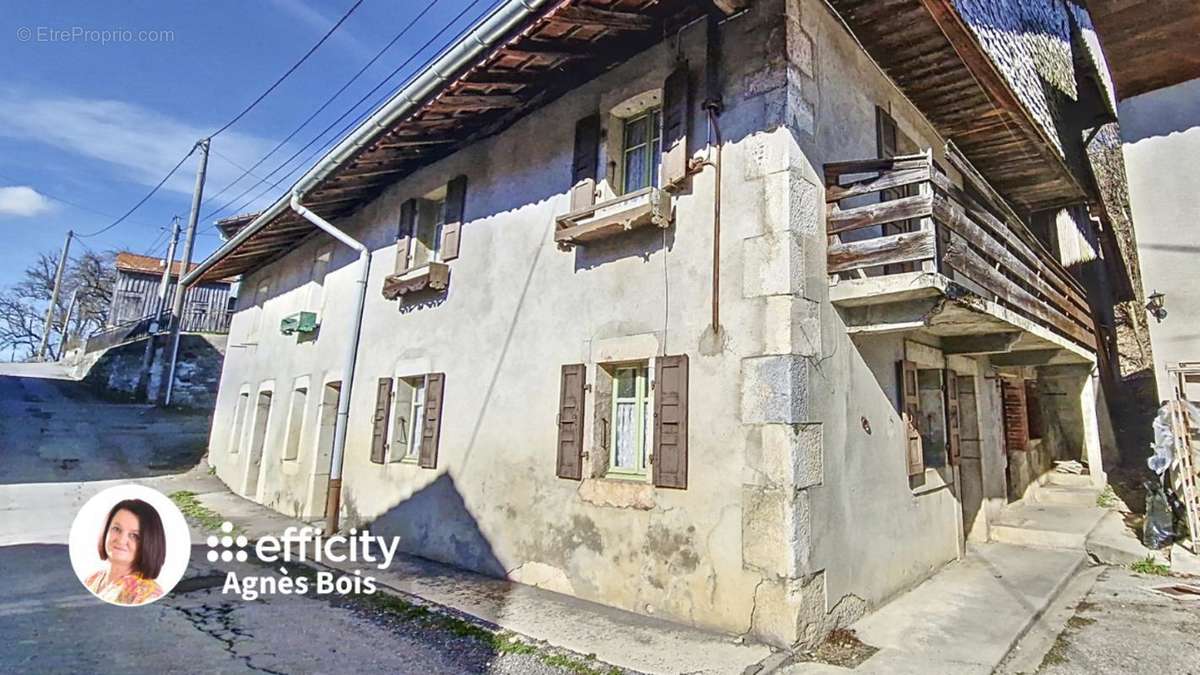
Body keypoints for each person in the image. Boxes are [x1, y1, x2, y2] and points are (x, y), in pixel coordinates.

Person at [84, 499, 166, 605]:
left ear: (150, 544)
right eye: (116, 529)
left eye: (134, 536)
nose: (121, 540)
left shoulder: (149, 594)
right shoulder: (92, 579)